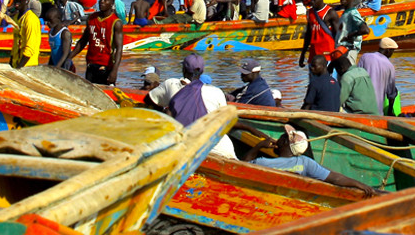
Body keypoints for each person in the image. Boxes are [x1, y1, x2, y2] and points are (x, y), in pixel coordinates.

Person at [145, 54, 237, 158]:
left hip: (197, 150)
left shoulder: (171, 84)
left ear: (183, 70)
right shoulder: (217, 92)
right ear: (202, 71)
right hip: (225, 148)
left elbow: (148, 100)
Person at [243, 125, 378, 196]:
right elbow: (335, 178)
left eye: (282, 136)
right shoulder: (305, 162)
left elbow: (243, 165)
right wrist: (359, 184)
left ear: (284, 142)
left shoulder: (263, 163)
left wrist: (259, 146)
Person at [61, 0, 123, 85]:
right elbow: (83, 40)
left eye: (105, 0)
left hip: (105, 65)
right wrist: (69, 57)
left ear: (111, 4)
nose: (102, 2)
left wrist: (114, 70)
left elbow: (119, 48)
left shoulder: (115, 22)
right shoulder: (92, 18)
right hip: (91, 63)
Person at [0, 0, 41, 69]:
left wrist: (19, 68)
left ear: (26, 1)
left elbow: (30, 48)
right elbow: (15, 43)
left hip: (27, 66)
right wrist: (11, 63)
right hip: (16, 63)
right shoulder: (16, 18)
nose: (16, 2)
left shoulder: (31, 19)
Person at [358, 37, 398, 115]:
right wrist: (390, 112)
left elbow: (356, 78)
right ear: (388, 50)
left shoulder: (365, 57)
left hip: (359, 108)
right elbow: (391, 94)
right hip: (377, 112)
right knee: (394, 91)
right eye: (392, 51)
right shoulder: (390, 66)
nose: (392, 54)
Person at [299, 0, 339, 67]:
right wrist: (303, 54)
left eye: (314, 0)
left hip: (328, 55)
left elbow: (338, 35)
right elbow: (308, 34)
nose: (312, 2)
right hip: (313, 54)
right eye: (311, 0)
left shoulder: (330, 13)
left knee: (328, 78)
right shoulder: (310, 12)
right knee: (313, 78)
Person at [337, 0, 366, 65]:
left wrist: (351, 35)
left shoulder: (353, 13)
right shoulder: (345, 13)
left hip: (349, 50)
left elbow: (365, 29)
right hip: (342, 50)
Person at [46, 6, 74, 71]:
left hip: (66, 68)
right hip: (56, 66)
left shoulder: (64, 33)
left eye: (50, 20)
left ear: (58, 19)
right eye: (46, 21)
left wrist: (57, 68)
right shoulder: (51, 32)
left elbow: (66, 53)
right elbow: (53, 52)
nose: (47, 23)